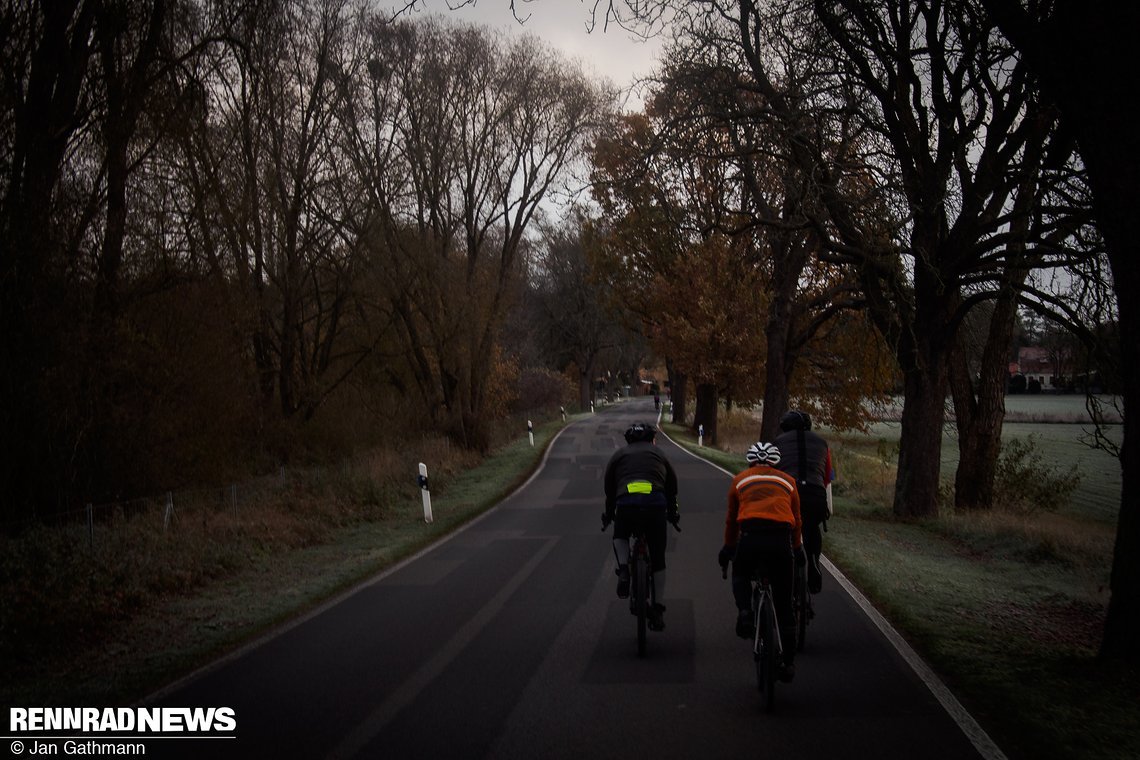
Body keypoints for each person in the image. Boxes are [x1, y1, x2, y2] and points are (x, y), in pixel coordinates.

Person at [719, 442, 802, 682]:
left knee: (741, 574)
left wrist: (728, 548)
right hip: (780, 540)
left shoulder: (739, 480)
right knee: (785, 605)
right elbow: (797, 519)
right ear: (776, 462)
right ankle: (788, 663)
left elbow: (732, 521)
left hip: (751, 537)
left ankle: (745, 611)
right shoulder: (788, 481)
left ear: (750, 462)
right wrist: (797, 549)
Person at [602, 422, 680, 632]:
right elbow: (672, 486)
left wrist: (609, 514)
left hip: (626, 503)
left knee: (620, 534)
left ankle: (625, 570)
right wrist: (673, 513)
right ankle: (658, 607)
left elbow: (609, 488)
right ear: (651, 439)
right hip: (655, 505)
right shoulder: (659, 454)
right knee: (658, 559)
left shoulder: (619, 455)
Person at [773, 410, 835, 594]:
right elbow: (826, 476)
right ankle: (814, 561)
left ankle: (782, 568)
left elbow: (773, 472)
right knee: (812, 527)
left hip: (787, 493)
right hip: (815, 494)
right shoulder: (823, 444)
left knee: (782, 528)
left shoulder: (778, 443)